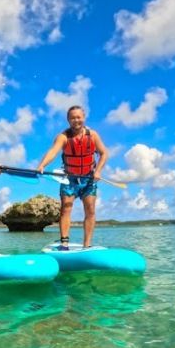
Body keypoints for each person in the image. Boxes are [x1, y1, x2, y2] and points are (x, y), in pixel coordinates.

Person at [36, 105, 108, 250]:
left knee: (90, 210)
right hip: (69, 179)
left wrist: (98, 171)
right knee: (66, 209)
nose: (76, 120)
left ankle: (87, 245)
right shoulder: (63, 137)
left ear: (84, 118)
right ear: (68, 120)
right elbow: (53, 152)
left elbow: (104, 153)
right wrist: (42, 165)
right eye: (72, 118)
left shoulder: (93, 135)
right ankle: (64, 244)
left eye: (78, 117)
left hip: (88, 179)